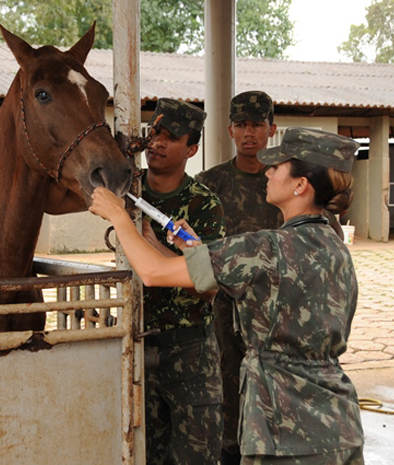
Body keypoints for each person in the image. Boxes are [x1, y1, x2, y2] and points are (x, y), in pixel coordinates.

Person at [90, 127, 365, 465]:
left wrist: (118, 216)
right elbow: (235, 281)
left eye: (277, 167)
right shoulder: (335, 246)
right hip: (341, 427)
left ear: (300, 185)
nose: (267, 171)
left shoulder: (266, 247)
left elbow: (153, 272)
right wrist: (196, 252)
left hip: (285, 433)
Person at [137, 98, 226, 465]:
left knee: (195, 457)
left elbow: (206, 289)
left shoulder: (203, 205)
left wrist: (158, 250)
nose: (156, 142)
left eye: (170, 137)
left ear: (192, 148)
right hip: (137, 346)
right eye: (154, 132)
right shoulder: (126, 190)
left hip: (190, 351)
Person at [195, 90, 281, 465]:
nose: (250, 133)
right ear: (230, 130)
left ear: (271, 130)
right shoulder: (209, 184)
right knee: (227, 391)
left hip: (274, 314)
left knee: (274, 393)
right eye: (242, 125)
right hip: (222, 313)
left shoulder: (284, 183)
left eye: (257, 125)